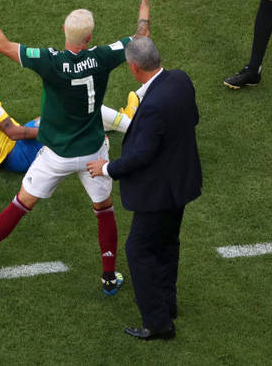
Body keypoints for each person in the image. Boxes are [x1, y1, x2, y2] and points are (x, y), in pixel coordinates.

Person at [0, 0, 152, 296]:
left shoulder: (50, 61)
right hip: (95, 153)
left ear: (63, 31)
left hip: (57, 154)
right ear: (89, 38)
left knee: (20, 204)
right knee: (103, 210)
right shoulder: (104, 56)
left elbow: (1, 45)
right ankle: (108, 277)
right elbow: (142, 36)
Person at [87, 36, 202, 340]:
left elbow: (141, 155)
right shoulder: (180, 80)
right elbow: (192, 118)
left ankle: (158, 322)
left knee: (138, 250)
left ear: (134, 67)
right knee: (167, 244)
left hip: (158, 192)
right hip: (181, 182)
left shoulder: (152, 106)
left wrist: (106, 168)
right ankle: (167, 303)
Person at [0, 40, 135, 173]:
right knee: (76, 111)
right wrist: (52, 133)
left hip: (3, 156)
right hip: (18, 154)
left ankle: (119, 120)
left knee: (54, 117)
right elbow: (14, 133)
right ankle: (129, 122)